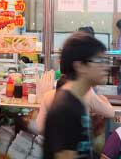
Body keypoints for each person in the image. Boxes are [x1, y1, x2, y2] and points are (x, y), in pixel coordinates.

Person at [44, 31, 109, 159]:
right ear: (80, 66)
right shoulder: (65, 108)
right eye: (99, 60)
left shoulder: (77, 101)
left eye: (106, 60)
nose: (106, 66)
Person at [36, 74, 114, 134]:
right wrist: (103, 98)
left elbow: (40, 128)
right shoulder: (87, 94)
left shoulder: (48, 96)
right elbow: (110, 113)